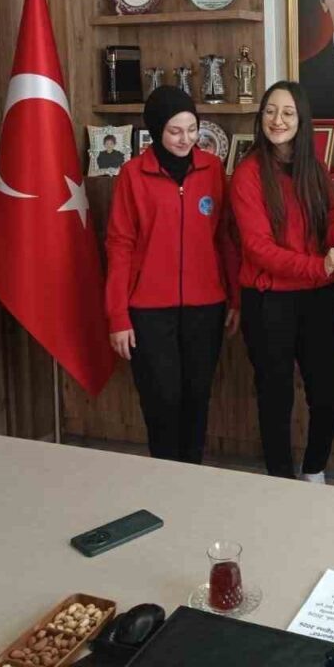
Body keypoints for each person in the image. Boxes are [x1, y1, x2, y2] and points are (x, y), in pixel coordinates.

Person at [230, 81, 334, 481]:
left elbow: (327, 229)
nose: (277, 120)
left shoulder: (315, 170)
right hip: (268, 302)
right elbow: (258, 249)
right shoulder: (248, 174)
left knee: (329, 397)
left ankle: (314, 471)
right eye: (270, 111)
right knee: (276, 399)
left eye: (287, 113)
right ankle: (280, 481)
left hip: (316, 299)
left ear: (302, 120)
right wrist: (319, 265)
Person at [104, 87, 239, 463]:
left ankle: (192, 474)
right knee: (161, 399)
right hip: (148, 312)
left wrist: (234, 298)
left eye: (192, 129)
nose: (186, 139)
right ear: (155, 130)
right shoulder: (132, 175)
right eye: (175, 131)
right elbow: (119, 247)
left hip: (206, 307)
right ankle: (164, 476)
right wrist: (117, 316)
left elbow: (225, 238)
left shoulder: (212, 169)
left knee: (197, 396)